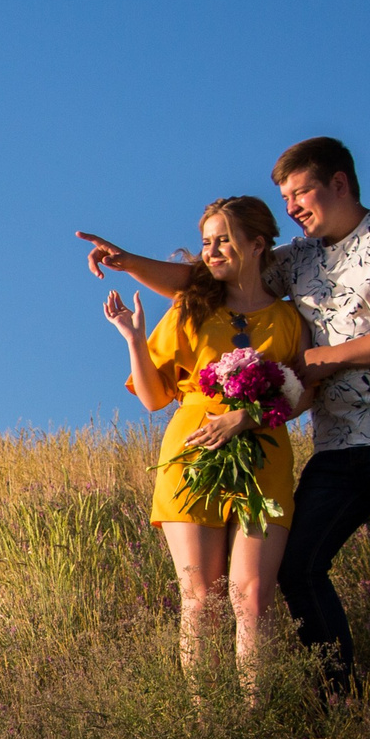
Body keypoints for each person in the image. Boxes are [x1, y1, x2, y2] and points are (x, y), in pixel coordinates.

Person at [80, 137, 370, 688]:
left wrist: (327, 357)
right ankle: (340, 694)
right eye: (284, 198)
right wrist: (126, 261)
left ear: (339, 183)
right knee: (298, 566)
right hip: (340, 441)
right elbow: (212, 279)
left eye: (300, 192)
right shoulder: (299, 258)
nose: (292, 207)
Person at [102, 195, 306, 702]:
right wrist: (133, 338)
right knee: (199, 600)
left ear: (258, 245)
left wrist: (247, 414)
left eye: (224, 241)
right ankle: (208, 722)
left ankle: (255, 718)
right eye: (206, 242)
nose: (211, 252)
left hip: (265, 458)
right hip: (191, 455)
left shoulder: (288, 319)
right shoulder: (189, 310)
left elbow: (302, 393)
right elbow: (152, 399)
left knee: (253, 597)